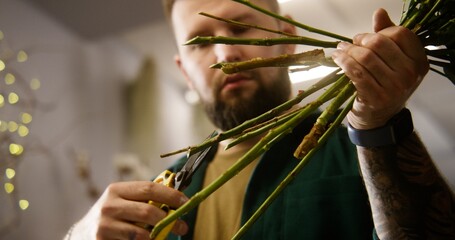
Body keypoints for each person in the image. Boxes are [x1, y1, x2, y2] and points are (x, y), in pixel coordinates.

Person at [65, 0, 455, 239]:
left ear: (286, 36)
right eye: (201, 42)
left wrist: (378, 127)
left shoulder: (361, 144)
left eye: (240, 28)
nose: (225, 53)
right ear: (184, 71)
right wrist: (78, 237)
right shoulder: (162, 193)